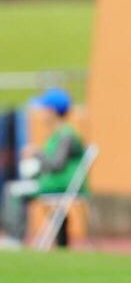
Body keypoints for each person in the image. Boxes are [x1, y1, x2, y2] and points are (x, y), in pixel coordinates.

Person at [1, 89, 84, 245]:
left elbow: (56, 164)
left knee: (12, 191)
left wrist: (36, 153)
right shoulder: (58, 134)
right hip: (54, 183)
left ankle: (14, 238)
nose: (41, 114)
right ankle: (61, 241)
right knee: (17, 188)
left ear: (52, 111)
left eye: (44, 109)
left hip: (60, 184)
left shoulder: (66, 135)